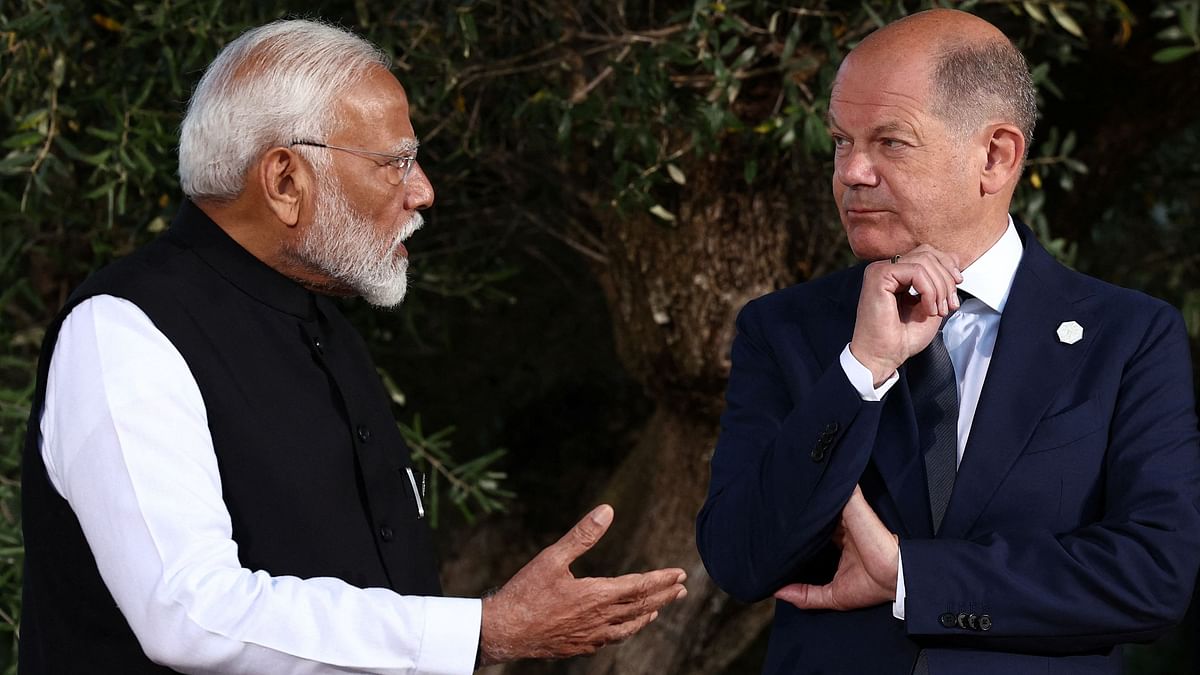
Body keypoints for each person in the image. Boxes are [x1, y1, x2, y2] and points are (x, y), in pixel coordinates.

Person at [20, 19, 687, 674]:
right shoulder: (123, 330)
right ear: (285, 180)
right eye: (394, 162)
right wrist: (484, 630)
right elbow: (190, 615)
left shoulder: (323, 323)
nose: (423, 189)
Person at [696, 8, 1200, 675]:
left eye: (889, 142)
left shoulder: (1128, 336)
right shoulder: (786, 329)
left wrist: (910, 575)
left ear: (995, 156)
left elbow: (1153, 575)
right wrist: (861, 370)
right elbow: (739, 556)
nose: (851, 172)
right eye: (842, 141)